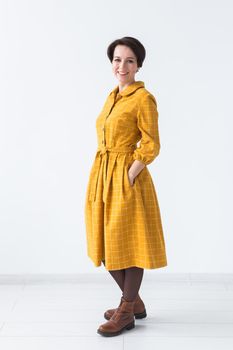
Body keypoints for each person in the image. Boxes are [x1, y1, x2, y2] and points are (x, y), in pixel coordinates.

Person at [84, 36, 168, 337]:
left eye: (129, 60)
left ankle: (126, 310)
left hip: (125, 176)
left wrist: (130, 174)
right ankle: (134, 303)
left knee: (128, 244)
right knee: (105, 240)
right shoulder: (112, 96)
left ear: (139, 65)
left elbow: (151, 143)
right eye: (117, 60)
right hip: (103, 174)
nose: (122, 66)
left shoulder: (143, 98)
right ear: (112, 64)